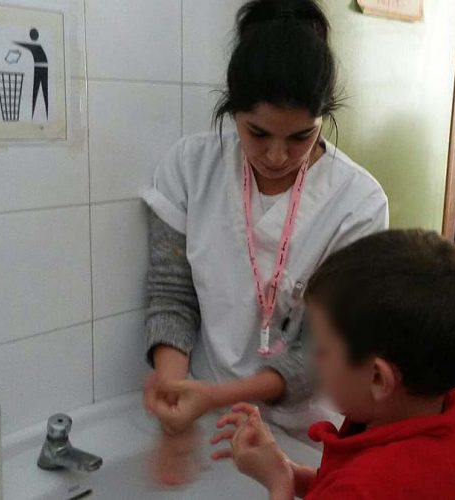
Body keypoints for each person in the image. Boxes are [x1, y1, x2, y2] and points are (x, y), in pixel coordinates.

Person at [141, 0, 388, 485]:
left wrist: (207, 398)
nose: (276, 155)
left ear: (324, 119)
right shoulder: (191, 167)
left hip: (304, 435)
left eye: (300, 138)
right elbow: (171, 293)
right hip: (211, 418)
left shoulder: (358, 203)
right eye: (257, 133)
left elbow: (323, 346)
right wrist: (174, 392)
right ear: (232, 110)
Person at [203, 230, 455, 500]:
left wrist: (279, 484)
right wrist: (287, 469)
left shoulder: (367, 484)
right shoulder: (444, 416)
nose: (313, 359)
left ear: (378, 379)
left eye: (323, 350)